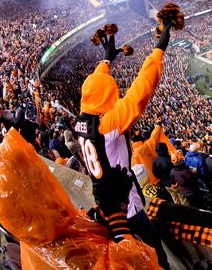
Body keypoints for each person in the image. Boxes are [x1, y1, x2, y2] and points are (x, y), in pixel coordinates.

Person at [74, 19, 176, 269]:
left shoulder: (82, 119)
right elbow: (141, 90)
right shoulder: (109, 125)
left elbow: (94, 89)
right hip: (127, 209)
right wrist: (159, 48)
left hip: (106, 202)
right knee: (156, 261)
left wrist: (106, 61)